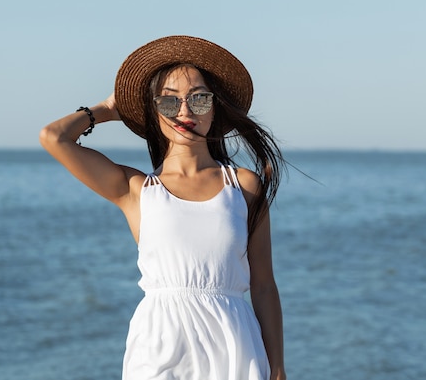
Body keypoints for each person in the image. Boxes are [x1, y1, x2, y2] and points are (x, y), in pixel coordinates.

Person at [40, 35, 287, 380]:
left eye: (199, 99)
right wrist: (110, 109)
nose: (185, 111)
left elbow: (263, 286)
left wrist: (277, 368)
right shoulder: (136, 190)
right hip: (159, 346)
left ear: (215, 106)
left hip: (234, 346)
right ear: (154, 111)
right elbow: (53, 137)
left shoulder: (243, 185)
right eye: (169, 102)